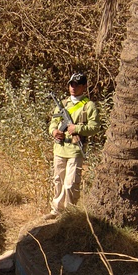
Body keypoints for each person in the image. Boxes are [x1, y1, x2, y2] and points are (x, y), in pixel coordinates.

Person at [49, 72, 100, 213]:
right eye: (71, 84)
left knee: (70, 184)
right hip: (60, 148)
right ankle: (56, 210)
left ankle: (69, 212)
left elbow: (95, 127)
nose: (73, 88)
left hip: (75, 150)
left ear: (84, 86)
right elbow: (53, 123)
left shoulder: (89, 106)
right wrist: (54, 132)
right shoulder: (63, 104)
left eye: (77, 85)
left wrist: (76, 128)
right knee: (58, 181)